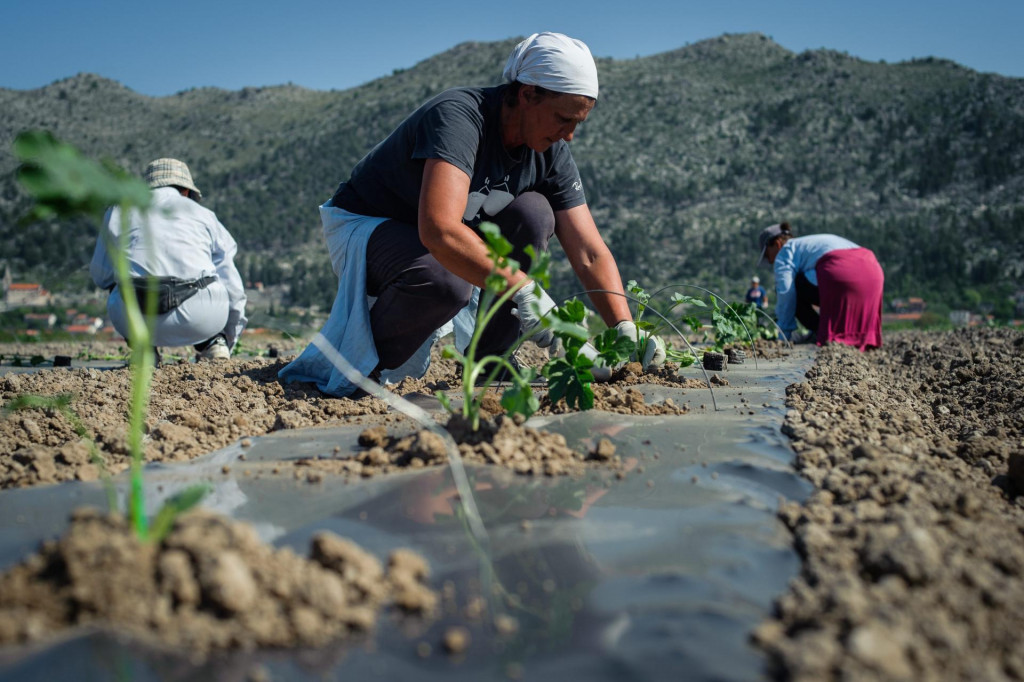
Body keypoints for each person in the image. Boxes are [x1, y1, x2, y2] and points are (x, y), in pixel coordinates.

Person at [280, 32, 665, 397]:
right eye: (564, 119)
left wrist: (623, 326)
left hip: (441, 233)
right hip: (369, 227)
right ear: (528, 94)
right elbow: (440, 231)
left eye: (577, 124)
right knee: (444, 278)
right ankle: (359, 370)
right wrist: (524, 290)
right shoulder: (461, 118)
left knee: (533, 213)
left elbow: (589, 252)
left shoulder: (550, 151)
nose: (569, 136)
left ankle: (490, 364)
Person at [90, 158, 248, 362]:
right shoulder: (206, 216)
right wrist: (229, 337)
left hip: (137, 317)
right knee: (215, 279)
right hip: (202, 318)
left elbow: (100, 276)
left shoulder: (119, 211)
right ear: (186, 192)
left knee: (117, 283)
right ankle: (213, 343)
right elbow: (233, 288)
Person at [756, 222, 883, 349]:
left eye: (768, 255)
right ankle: (864, 337)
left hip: (842, 272)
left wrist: (783, 335)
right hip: (873, 272)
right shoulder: (813, 243)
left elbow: (786, 293)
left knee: (794, 285)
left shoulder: (785, 251)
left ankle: (820, 332)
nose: (770, 261)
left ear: (777, 244)